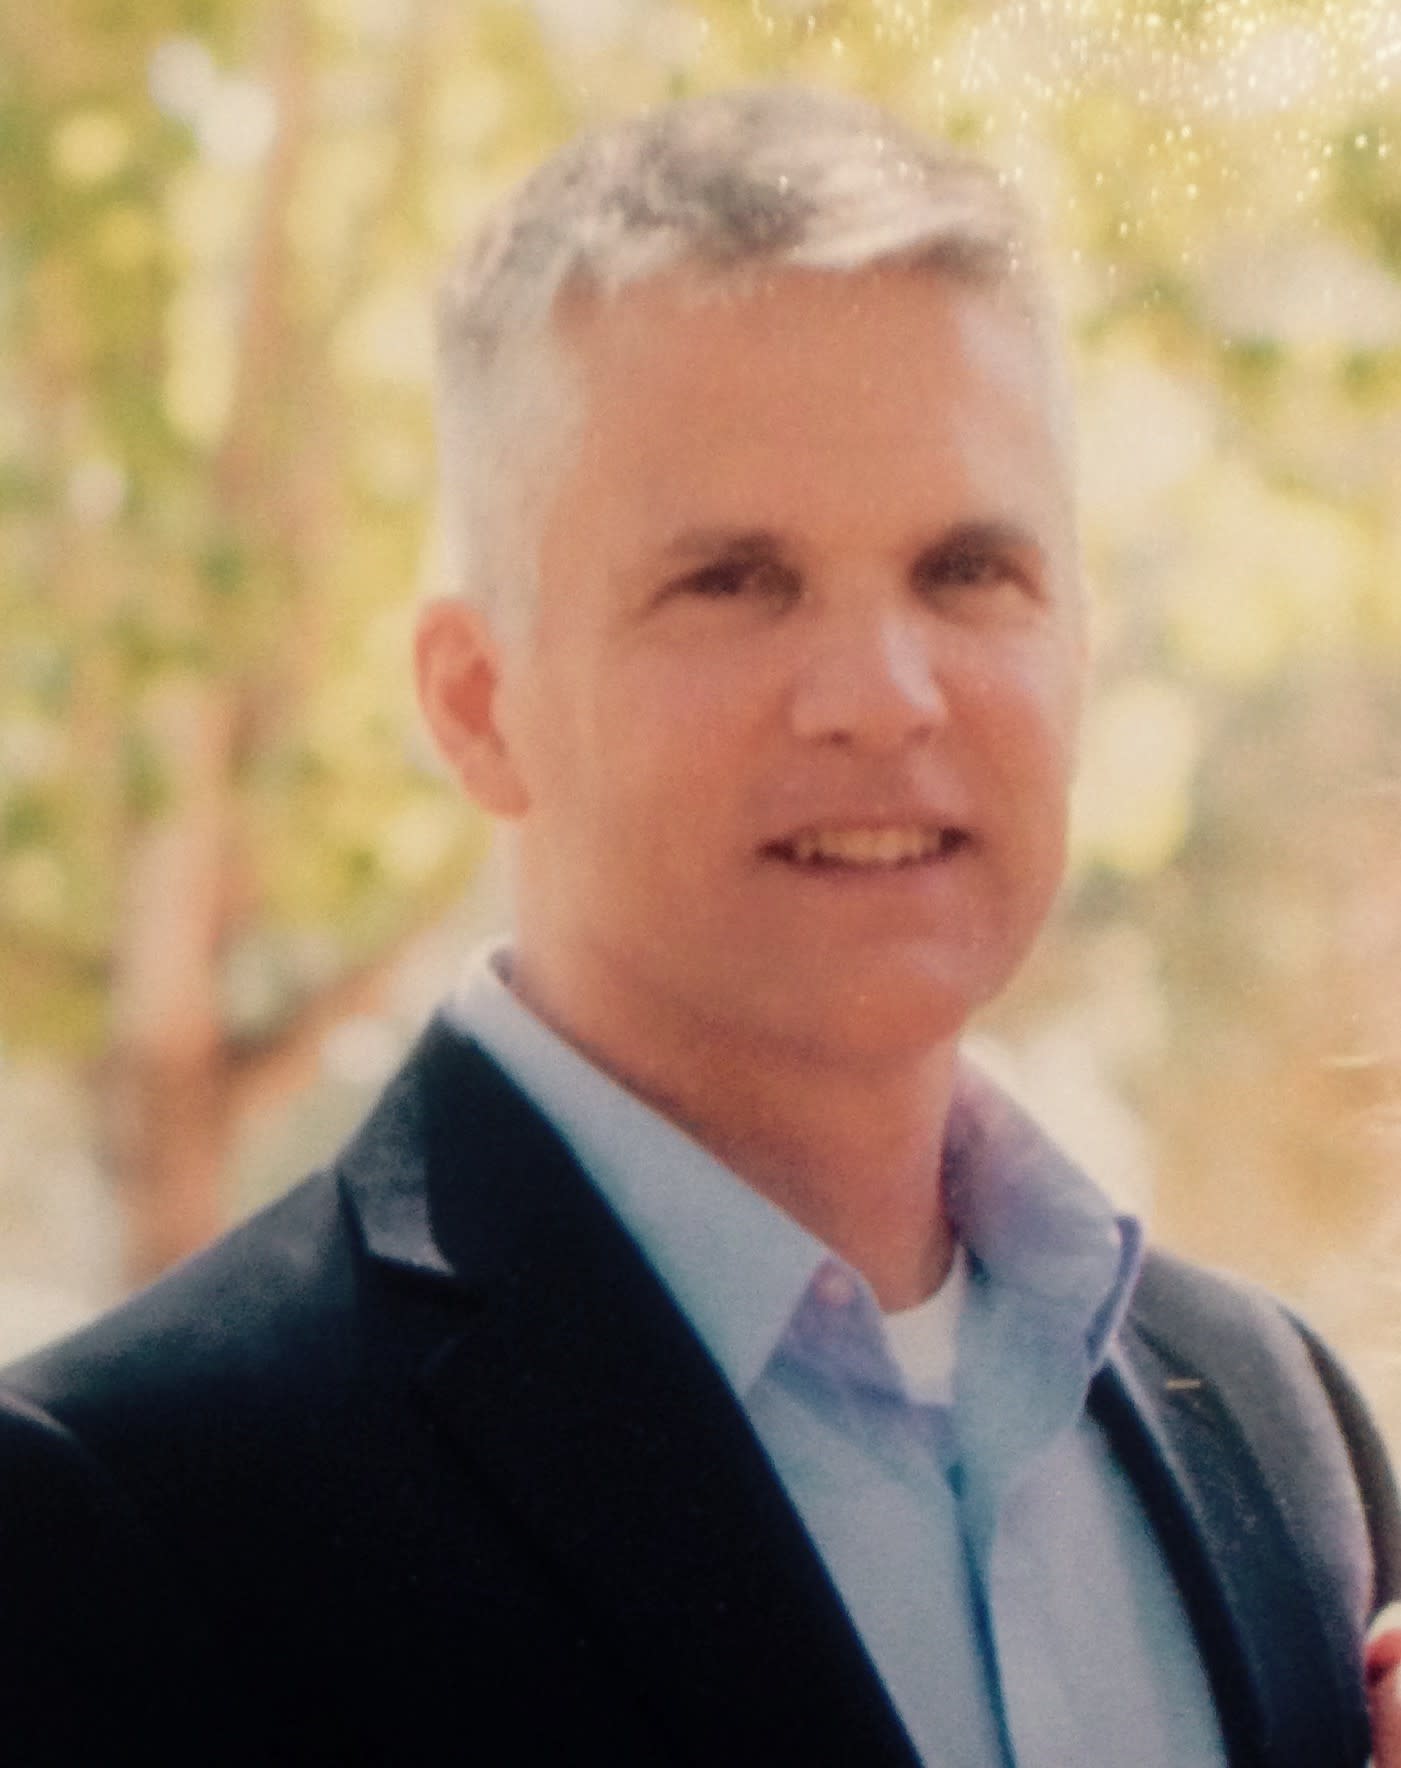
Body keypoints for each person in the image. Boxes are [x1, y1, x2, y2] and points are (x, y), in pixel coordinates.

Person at [1, 86, 1398, 1767]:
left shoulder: (1277, 1426)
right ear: (476, 702)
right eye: (733, 581)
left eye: (967, 569)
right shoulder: (121, 1521)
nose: (883, 694)